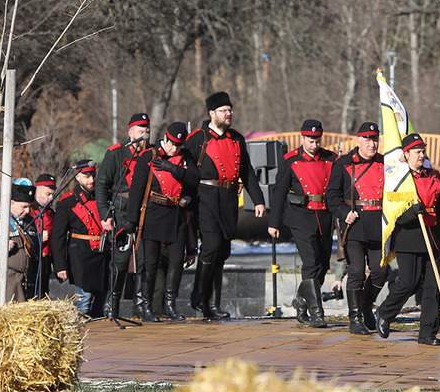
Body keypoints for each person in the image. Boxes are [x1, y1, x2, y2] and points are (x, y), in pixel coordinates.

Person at [184, 91, 266, 319]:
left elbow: (246, 172)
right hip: (205, 197)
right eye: (223, 110)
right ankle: (198, 297)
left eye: (230, 110)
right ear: (212, 113)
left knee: (223, 251)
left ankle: (213, 305)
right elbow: (186, 170)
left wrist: (258, 200)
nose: (228, 113)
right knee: (210, 246)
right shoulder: (197, 138)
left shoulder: (237, 139)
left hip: (229, 198)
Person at [375, 133, 440, 345]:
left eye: (423, 151)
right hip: (409, 237)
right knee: (409, 283)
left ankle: (428, 333)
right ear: (406, 154)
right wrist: (411, 213)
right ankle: (385, 312)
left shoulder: (434, 175)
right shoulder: (399, 180)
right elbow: (392, 213)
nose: (422, 155)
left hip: (433, 237)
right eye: (417, 152)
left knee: (432, 287)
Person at [125, 122, 200, 321]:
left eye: (179, 144)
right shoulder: (148, 157)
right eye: (173, 143)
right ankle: (147, 306)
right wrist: (131, 219)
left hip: (176, 214)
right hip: (153, 214)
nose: (175, 148)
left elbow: (195, 178)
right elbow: (137, 191)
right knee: (150, 263)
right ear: (165, 139)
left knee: (176, 262)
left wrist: (173, 168)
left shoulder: (185, 157)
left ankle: (170, 305)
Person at [268, 119, 337, 328]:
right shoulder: (290, 160)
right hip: (301, 216)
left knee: (323, 266)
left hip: (324, 216)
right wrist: (274, 222)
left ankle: (301, 300)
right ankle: (317, 313)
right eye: (310, 140)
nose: (314, 144)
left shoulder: (330, 159)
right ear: (302, 137)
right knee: (311, 263)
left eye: (317, 140)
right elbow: (279, 192)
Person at [326, 121, 387, 335]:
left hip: (379, 224)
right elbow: (331, 197)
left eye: (375, 139)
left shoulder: (385, 163)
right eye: (368, 139)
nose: (372, 144)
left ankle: (366, 304)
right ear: (359, 140)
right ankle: (355, 319)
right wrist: (344, 213)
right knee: (356, 272)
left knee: (381, 271)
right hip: (354, 226)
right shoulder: (344, 163)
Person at [96, 112, 152, 320]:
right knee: (120, 261)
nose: (144, 136)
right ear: (130, 132)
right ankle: (112, 304)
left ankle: (141, 307)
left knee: (146, 261)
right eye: (140, 131)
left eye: (147, 131)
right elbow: (102, 185)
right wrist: (104, 215)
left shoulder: (152, 153)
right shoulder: (116, 154)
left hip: (146, 212)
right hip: (121, 212)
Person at [53, 160, 109, 318]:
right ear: (77, 177)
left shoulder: (104, 197)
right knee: (84, 301)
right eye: (87, 176)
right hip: (81, 257)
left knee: (101, 303)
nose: (91, 180)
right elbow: (58, 237)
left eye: (93, 175)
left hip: (103, 254)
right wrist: (60, 266)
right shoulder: (67, 202)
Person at [0, 182, 39, 304]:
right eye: (24, 207)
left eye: (29, 207)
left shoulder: (30, 222)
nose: (27, 211)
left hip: (26, 280)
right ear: (12, 203)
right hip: (5, 280)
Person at [28, 173, 57, 299]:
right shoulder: (28, 210)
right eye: (48, 194)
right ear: (38, 192)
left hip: (46, 262)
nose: (51, 198)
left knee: (44, 295)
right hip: (32, 261)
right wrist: (38, 238)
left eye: (53, 194)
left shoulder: (51, 213)